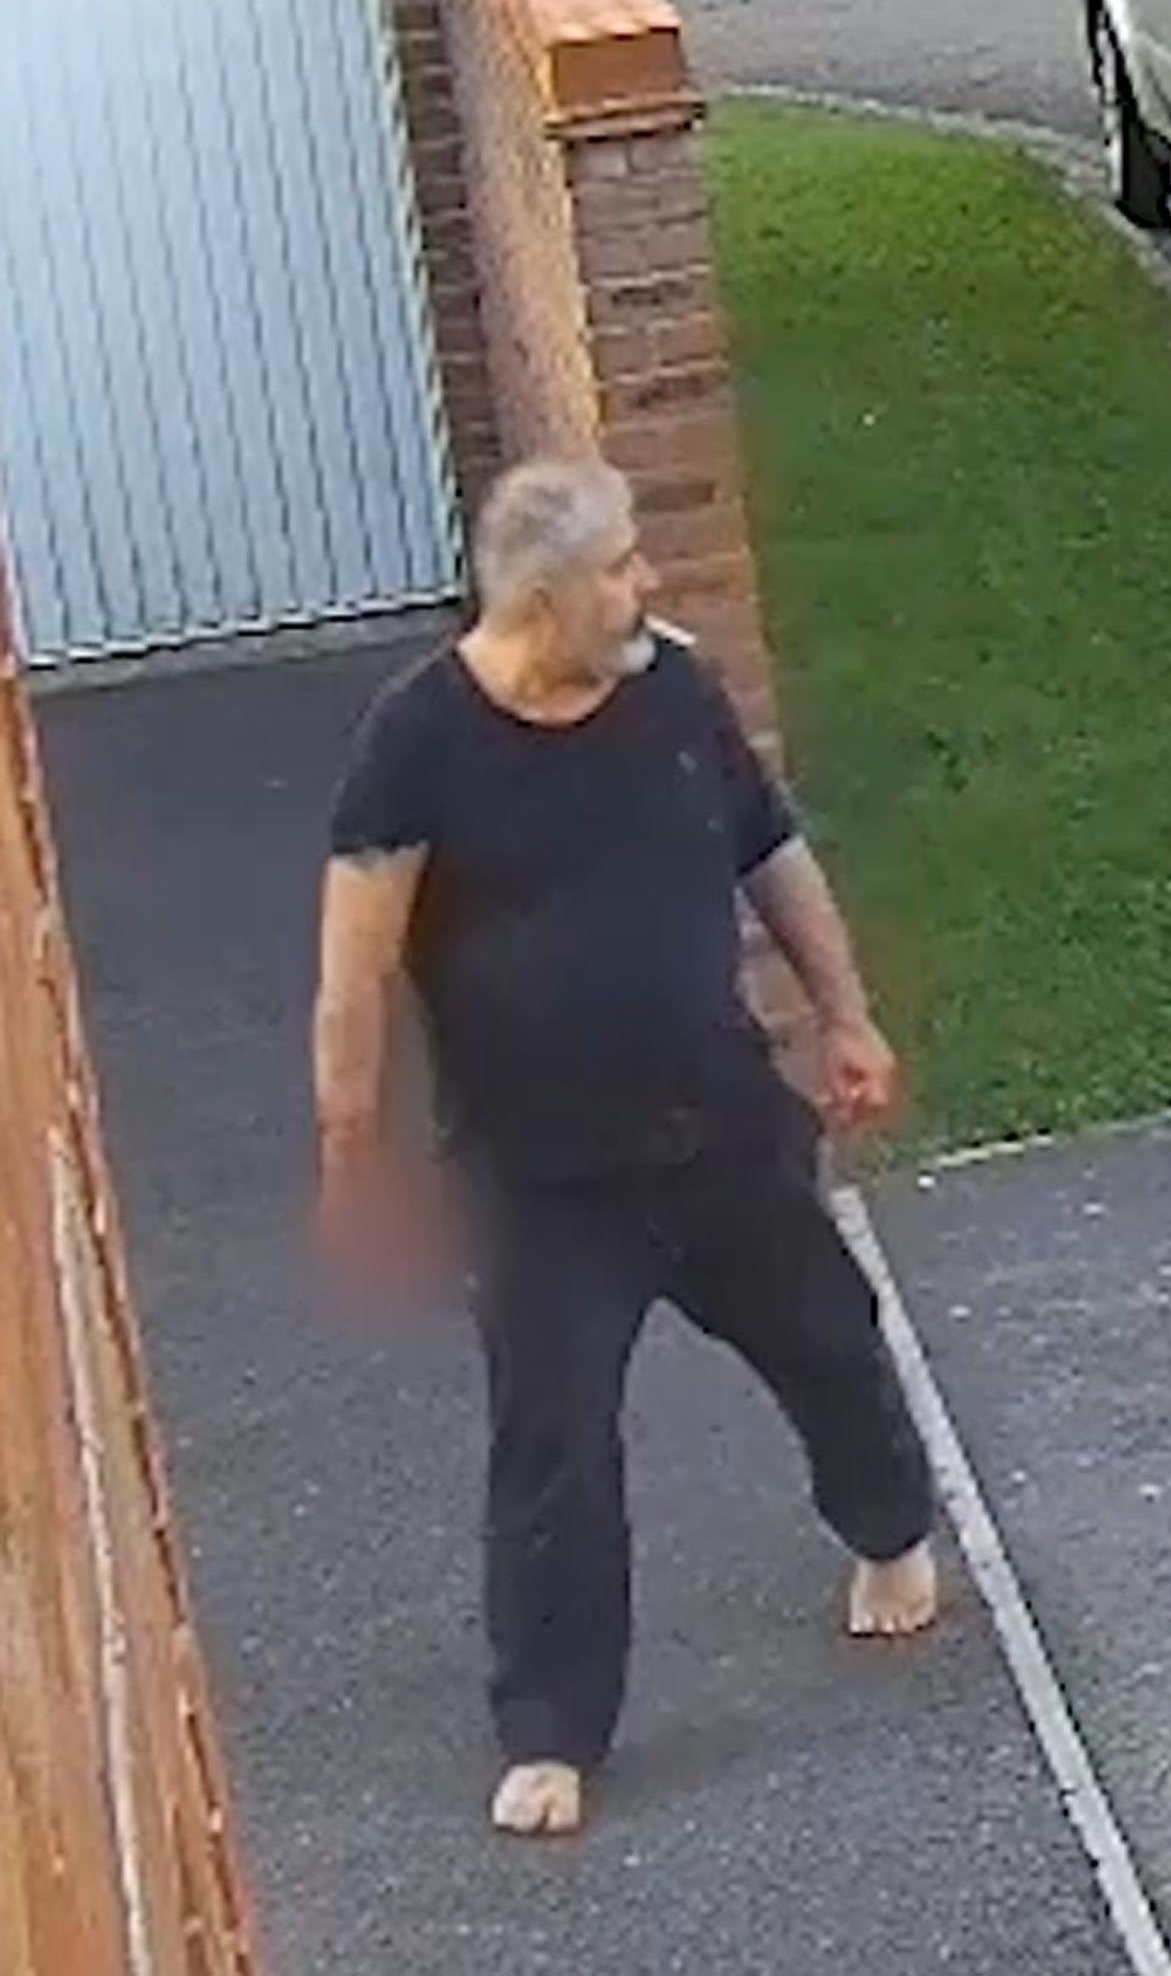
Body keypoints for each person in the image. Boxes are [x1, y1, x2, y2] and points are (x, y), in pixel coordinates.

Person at [312, 455, 940, 1839]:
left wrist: (847, 1015)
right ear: (547, 598)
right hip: (540, 1178)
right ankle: (550, 1726)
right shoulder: (418, 737)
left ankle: (892, 1525)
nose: (645, 585)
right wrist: (354, 1164)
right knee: (554, 1441)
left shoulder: (671, 688)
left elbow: (770, 851)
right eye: (620, 568)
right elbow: (352, 973)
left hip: (716, 1124)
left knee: (830, 1332)